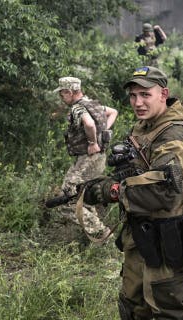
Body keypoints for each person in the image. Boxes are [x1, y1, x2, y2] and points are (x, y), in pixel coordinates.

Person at [83, 66, 183, 319]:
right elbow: (138, 173)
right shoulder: (145, 126)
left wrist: (112, 191)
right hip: (139, 236)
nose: (138, 102)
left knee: (169, 312)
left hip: (166, 240)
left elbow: (164, 192)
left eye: (145, 95)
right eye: (133, 95)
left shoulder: (175, 134)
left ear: (163, 94)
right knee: (133, 307)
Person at [52, 76, 118, 239]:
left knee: (67, 201)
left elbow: (89, 124)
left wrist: (92, 142)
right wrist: (103, 131)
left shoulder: (78, 108)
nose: (62, 98)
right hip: (99, 159)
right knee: (86, 197)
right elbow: (113, 112)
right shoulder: (93, 104)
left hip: (87, 160)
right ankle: (94, 236)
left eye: (62, 94)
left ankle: (102, 234)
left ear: (69, 92)